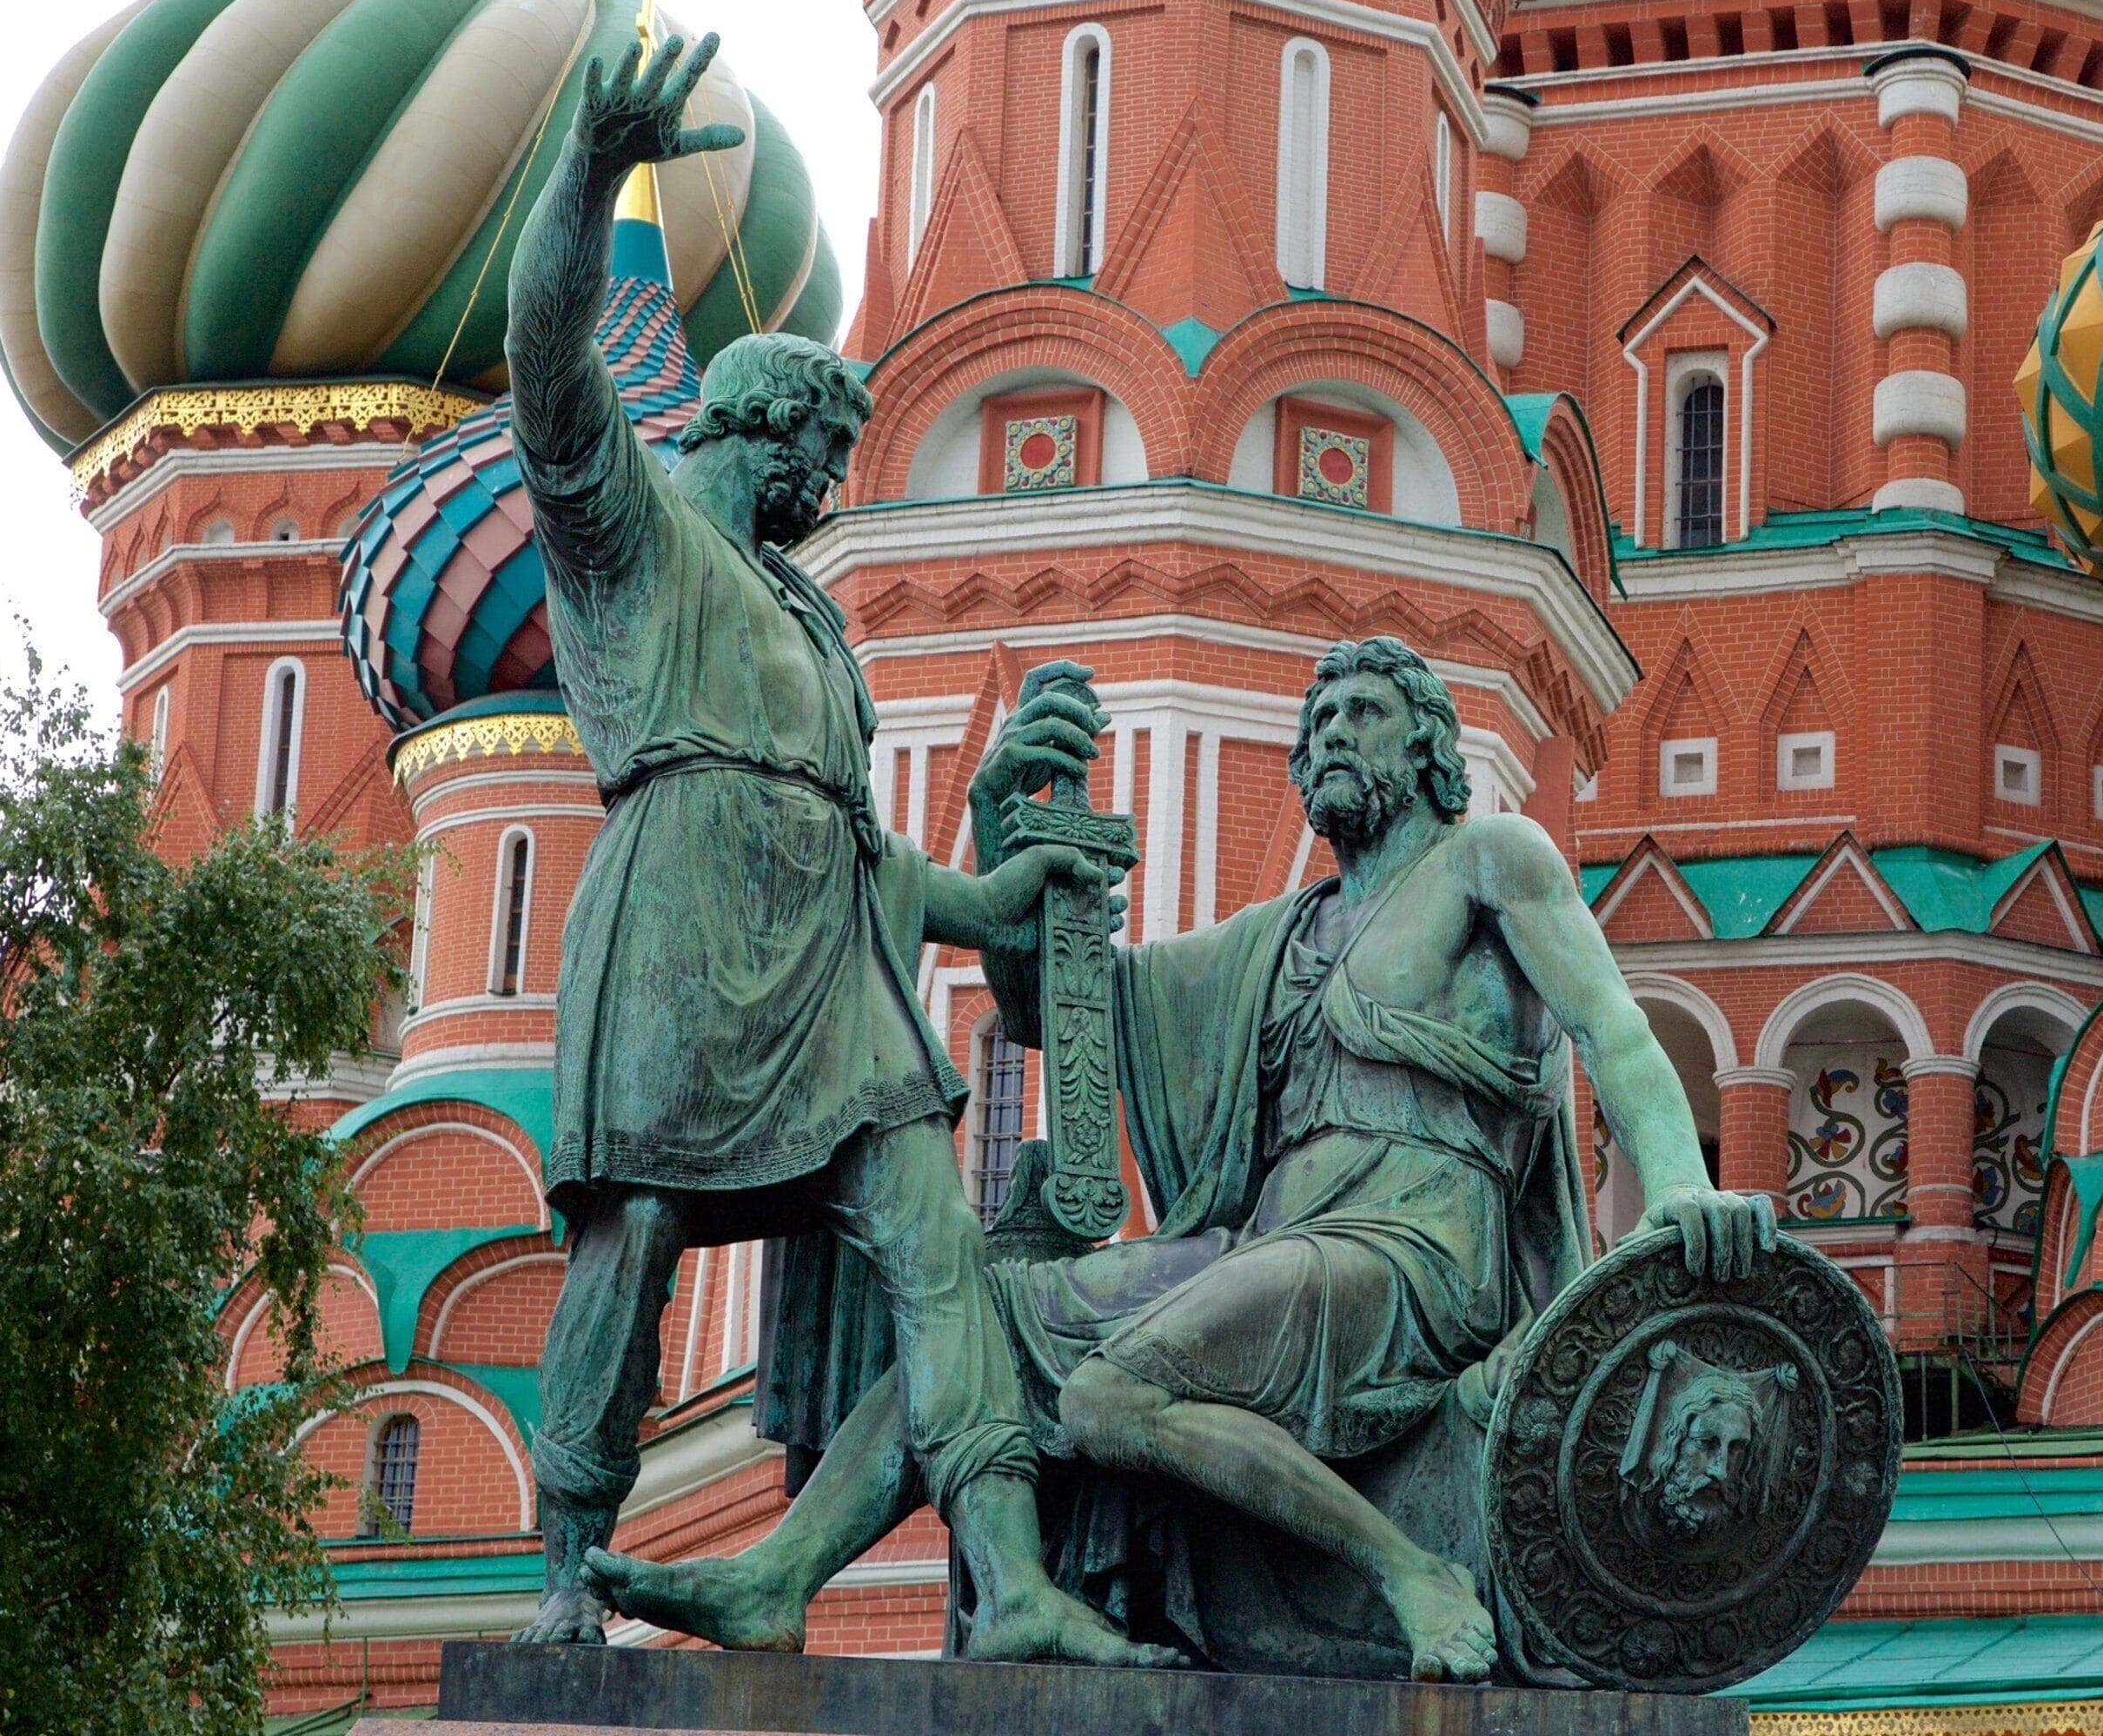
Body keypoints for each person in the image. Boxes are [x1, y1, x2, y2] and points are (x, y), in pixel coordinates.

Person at [587, 639, 1775, 1680]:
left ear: (1427, 747)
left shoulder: (1489, 861)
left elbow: (1616, 1031)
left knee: (1109, 1398)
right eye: (1319, 719)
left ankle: (1414, 1575)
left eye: (1364, 712)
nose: (1332, 733)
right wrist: (1004, 833)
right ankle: (780, 1578)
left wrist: (1683, 1185)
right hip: (1274, 1246)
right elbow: (1062, 1007)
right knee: (977, 1315)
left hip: (1415, 1255)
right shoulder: (1279, 938)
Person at [499, 32, 1159, 1666]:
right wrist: (590, 172)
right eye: (825, 455)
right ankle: (571, 1566)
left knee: (940, 1252)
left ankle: (1009, 1578)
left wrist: (990, 896)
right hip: (678, 922)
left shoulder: (811, 618)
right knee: (634, 1243)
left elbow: (855, 852)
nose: (832, 484)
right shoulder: (634, 534)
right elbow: (546, 367)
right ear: (763, 427)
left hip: (829, 969)